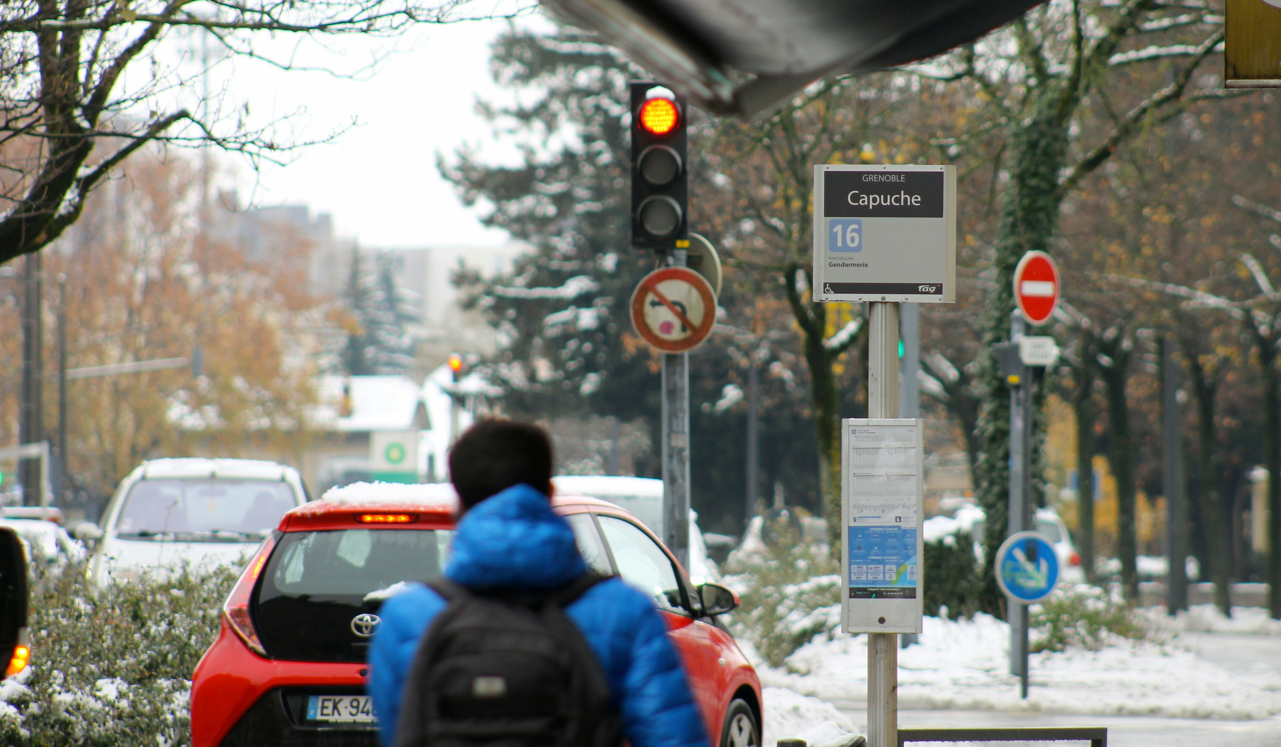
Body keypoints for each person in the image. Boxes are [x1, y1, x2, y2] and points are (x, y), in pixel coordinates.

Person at [367, 419, 708, 747]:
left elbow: (403, 730)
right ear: (548, 491)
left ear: (459, 502)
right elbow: (672, 736)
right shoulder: (623, 612)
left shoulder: (408, 617)